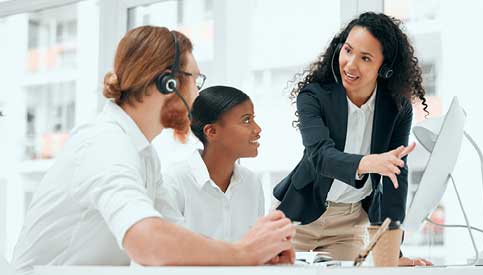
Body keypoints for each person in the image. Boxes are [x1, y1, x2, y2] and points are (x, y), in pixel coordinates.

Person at [12, 26, 295, 275]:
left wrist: (253, 256)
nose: (197, 97)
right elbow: (146, 240)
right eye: (195, 82)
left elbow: (178, 237)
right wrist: (242, 254)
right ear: (166, 83)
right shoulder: (104, 143)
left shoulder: (144, 156)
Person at [273, 12, 431, 266]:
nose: (350, 64)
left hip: (350, 223)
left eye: (365, 58)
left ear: (385, 67)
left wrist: (394, 253)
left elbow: (394, 178)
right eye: (347, 50)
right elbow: (320, 156)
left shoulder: (397, 108)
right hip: (299, 216)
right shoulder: (314, 96)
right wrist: (369, 163)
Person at [160, 86, 264, 242]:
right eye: (246, 120)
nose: (257, 129)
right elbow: (165, 249)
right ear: (211, 132)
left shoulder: (252, 183)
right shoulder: (175, 182)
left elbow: (257, 248)